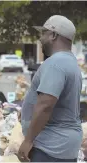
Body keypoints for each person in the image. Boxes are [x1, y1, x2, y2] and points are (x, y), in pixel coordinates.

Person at [18, 15, 82, 162]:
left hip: (50, 147)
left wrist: (28, 141)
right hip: (63, 145)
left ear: (53, 35)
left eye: (44, 33)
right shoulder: (70, 62)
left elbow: (46, 105)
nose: (40, 39)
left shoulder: (55, 63)